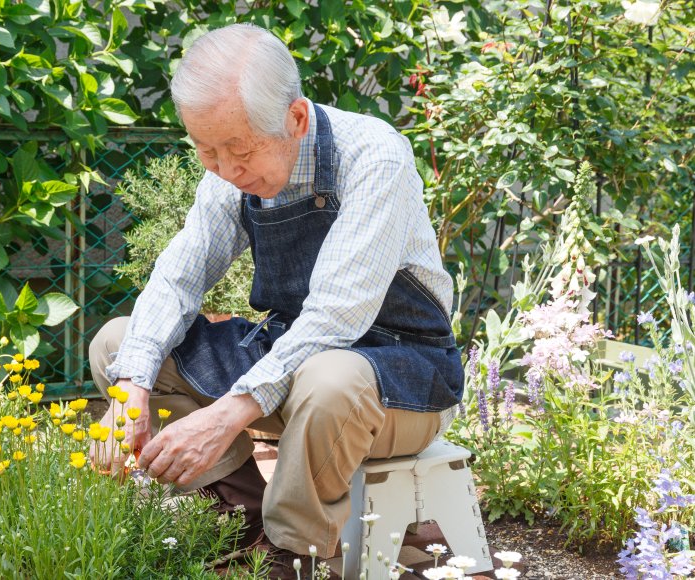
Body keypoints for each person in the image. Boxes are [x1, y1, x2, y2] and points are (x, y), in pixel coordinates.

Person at [89, 23, 463, 579]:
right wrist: (134, 384)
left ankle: (297, 557)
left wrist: (226, 414)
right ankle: (240, 524)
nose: (226, 171)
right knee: (119, 345)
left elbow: (338, 316)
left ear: (296, 118)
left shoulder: (376, 158)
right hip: (298, 358)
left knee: (330, 377)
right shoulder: (227, 171)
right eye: (206, 152)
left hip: (404, 376)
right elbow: (178, 279)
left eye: (239, 152)